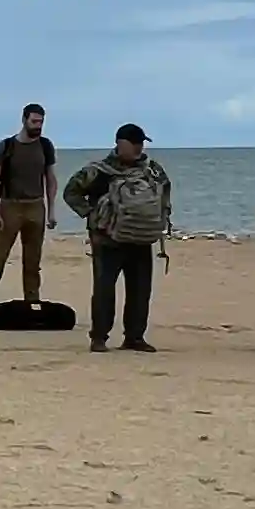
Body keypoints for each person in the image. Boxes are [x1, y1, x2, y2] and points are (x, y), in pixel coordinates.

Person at [65, 122, 173, 352]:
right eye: (134, 143)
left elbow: (165, 192)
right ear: (120, 143)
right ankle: (99, 338)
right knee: (105, 290)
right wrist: (91, 215)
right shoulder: (98, 170)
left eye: (141, 143)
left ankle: (135, 337)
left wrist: (159, 218)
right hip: (107, 240)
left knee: (141, 290)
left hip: (141, 238)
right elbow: (71, 192)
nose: (139, 147)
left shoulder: (152, 170)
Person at [0, 103, 56, 313]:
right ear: (24, 120)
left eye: (41, 122)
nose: (38, 126)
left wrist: (51, 210)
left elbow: (50, 180)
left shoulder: (45, 146)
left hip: (36, 207)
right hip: (10, 206)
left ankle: (33, 306)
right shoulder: (6, 146)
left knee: (33, 263)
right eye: (34, 121)